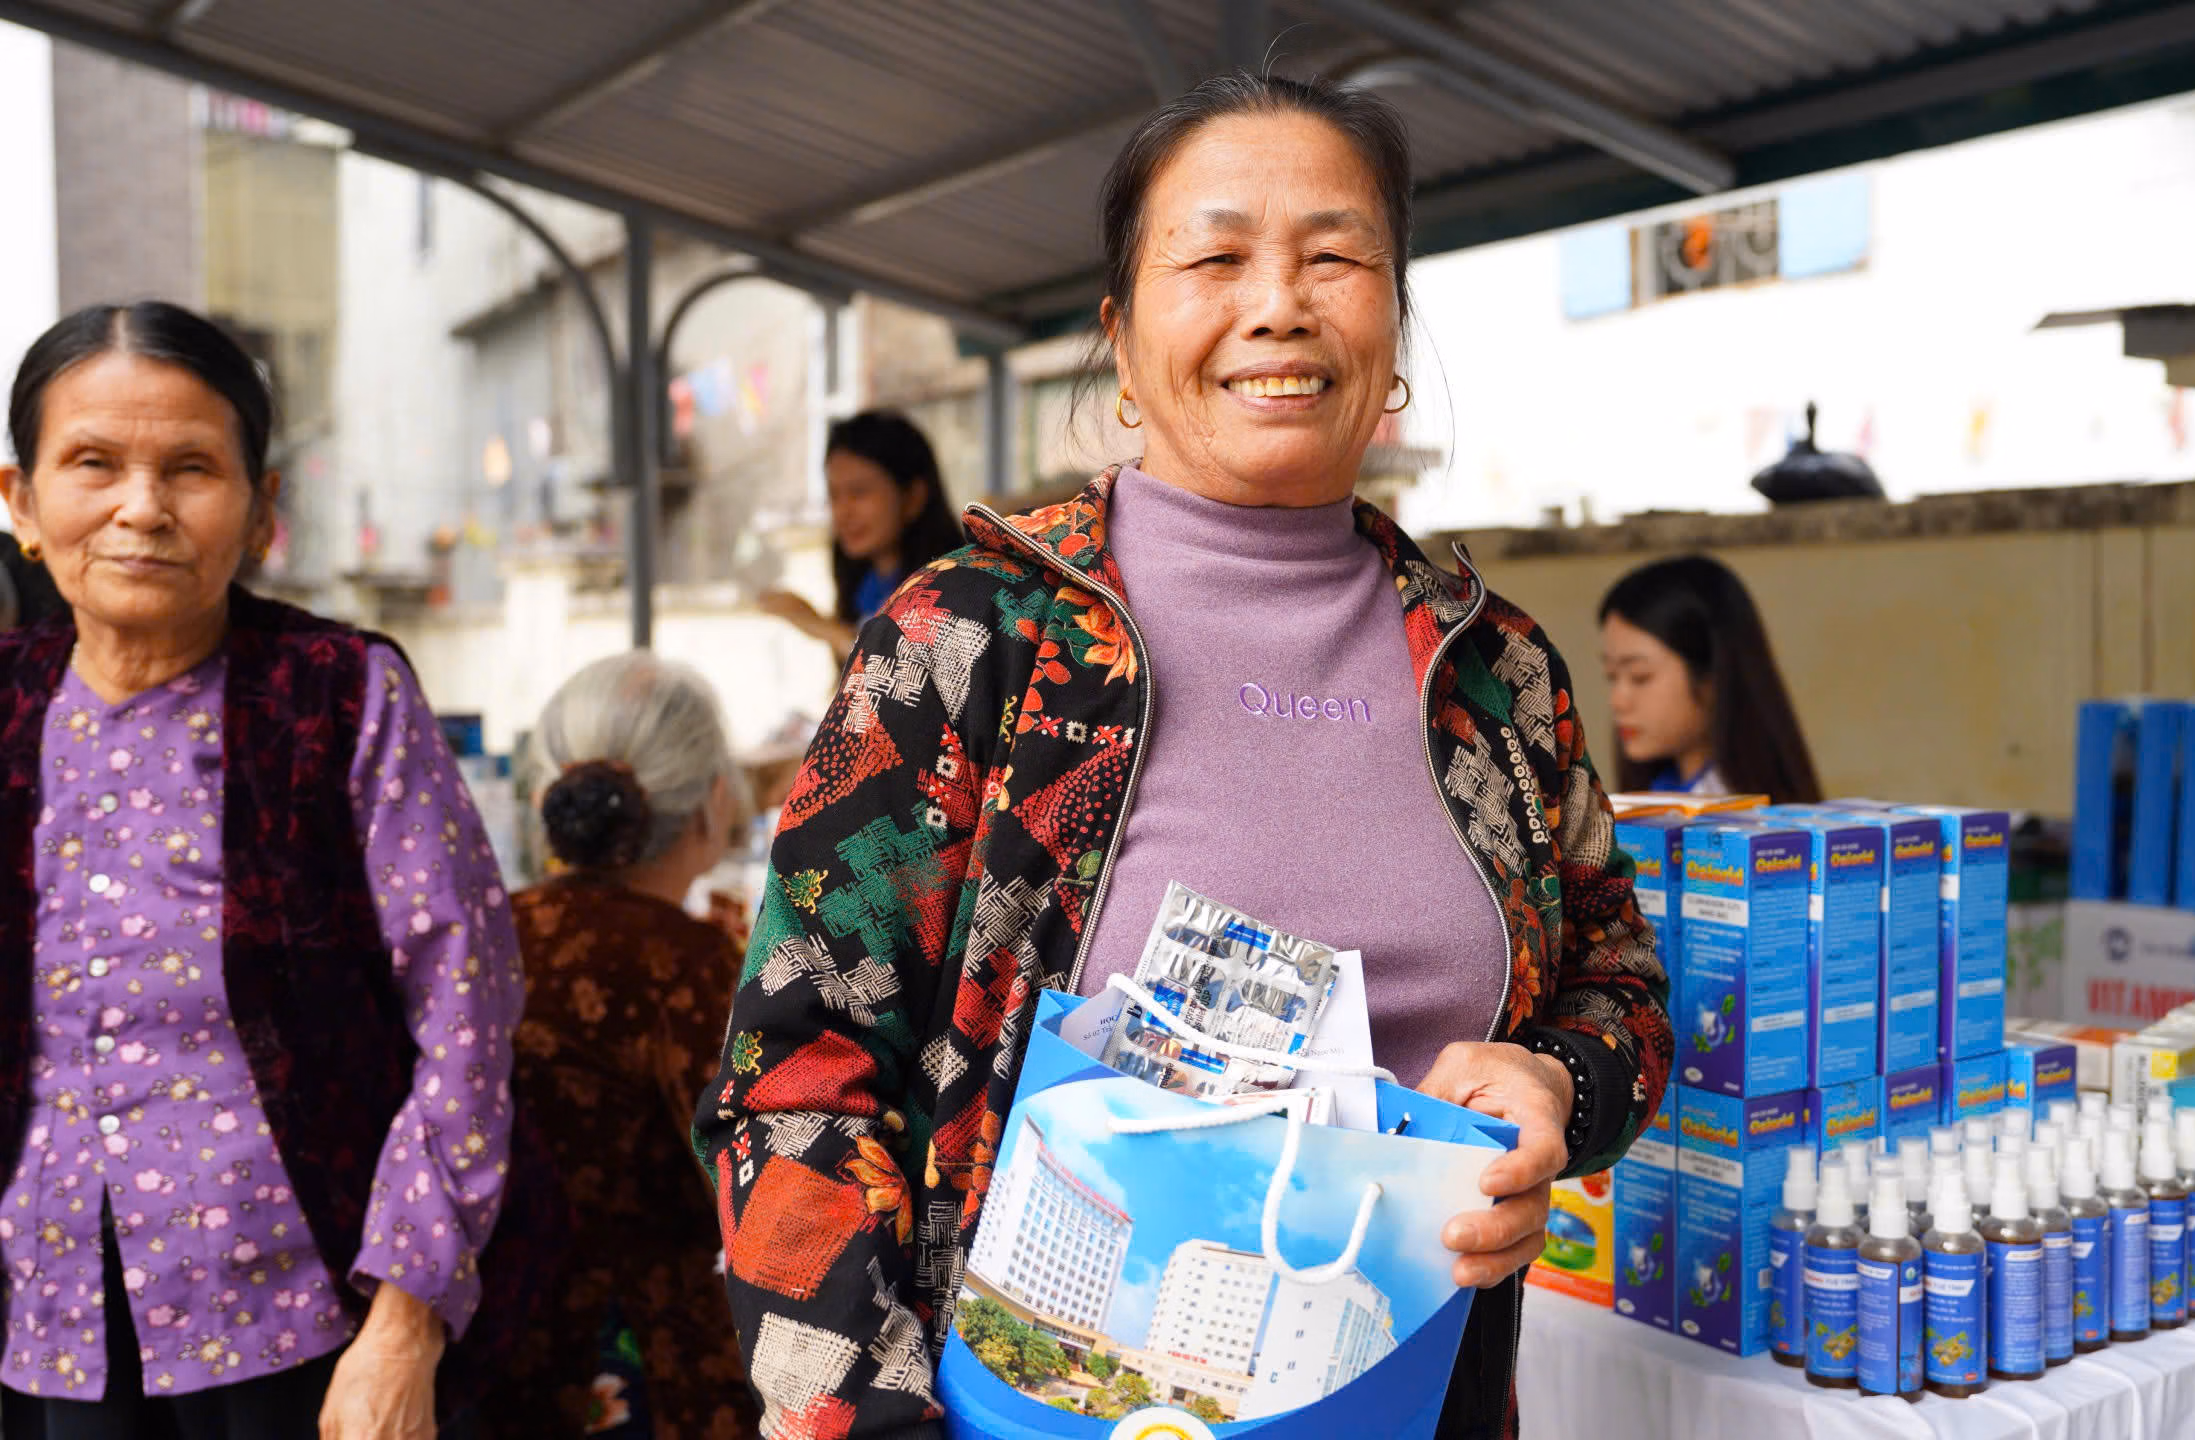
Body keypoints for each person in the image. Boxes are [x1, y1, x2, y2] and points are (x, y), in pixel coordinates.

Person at [697, 73, 1669, 1439]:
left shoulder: (1494, 674)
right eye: (1215, 260)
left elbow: (1621, 981)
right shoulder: (969, 646)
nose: (1278, 305)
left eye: (1335, 259)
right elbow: (793, 1082)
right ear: (1121, 335)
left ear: (1393, 329)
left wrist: (1561, 1083)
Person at [0, 301, 549, 1438]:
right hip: (44, 1323)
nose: (141, 508)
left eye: (191, 468)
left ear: (261, 512)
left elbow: (467, 1012)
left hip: (297, 1324)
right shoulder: (7, 704)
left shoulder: (339, 695)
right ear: (22, 502)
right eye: (93, 463)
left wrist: (404, 1326)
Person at [483, 654, 757, 1440]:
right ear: (712, 800)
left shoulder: (489, 929)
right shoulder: (687, 961)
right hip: (641, 1353)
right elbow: (743, 1177)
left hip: (492, 1343)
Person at [1599, 553, 1822, 802]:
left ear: (1713, 677)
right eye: (1611, 676)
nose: (1618, 701)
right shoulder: (1657, 791)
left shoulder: (1736, 817)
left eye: (1640, 677)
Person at [756, 410, 964, 664]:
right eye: (834, 495)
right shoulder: (866, 586)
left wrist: (827, 630)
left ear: (913, 497)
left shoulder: (957, 592)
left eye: (859, 492)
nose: (842, 512)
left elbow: (907, 672)